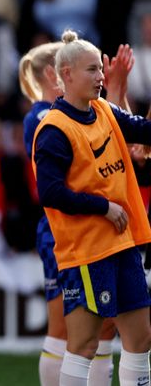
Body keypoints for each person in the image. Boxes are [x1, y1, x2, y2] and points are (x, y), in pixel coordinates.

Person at [33, 30, 151, 386]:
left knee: (140, 337)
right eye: (91, 70)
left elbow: (145, 131)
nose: (101, 76)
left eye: (100, 69)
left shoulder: (103, 110)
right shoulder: (54, 128)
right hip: (87, 251)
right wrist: (103, 207)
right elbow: (50, 193)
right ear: (66, 74)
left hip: (122, 244)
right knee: (83, 345)